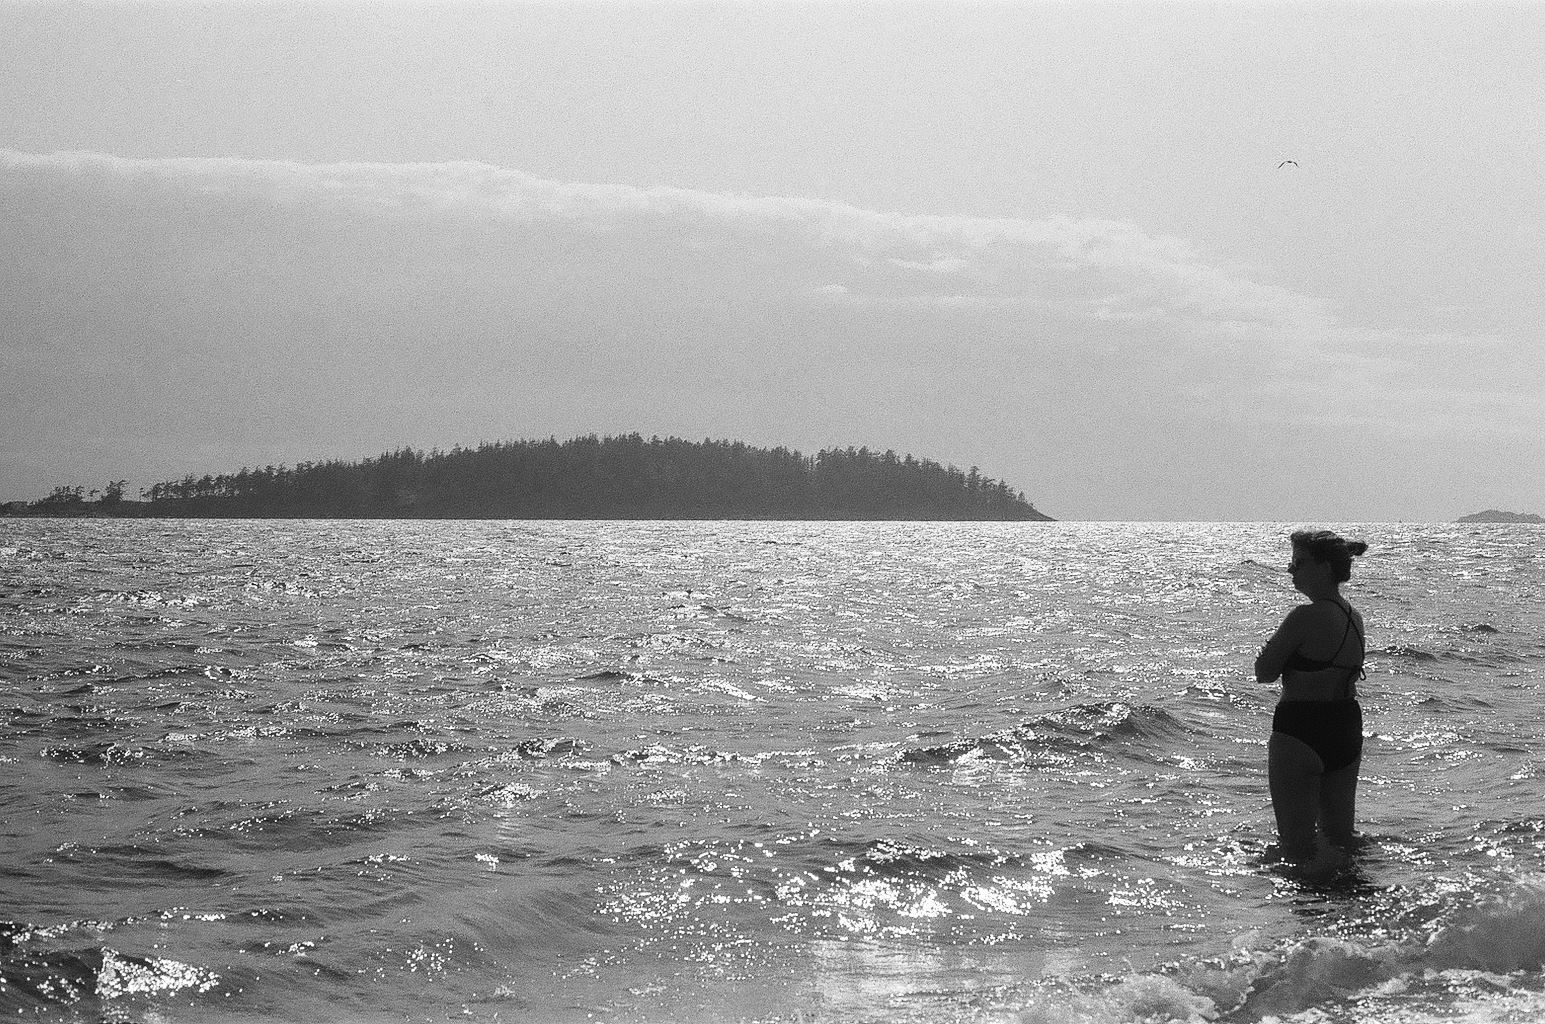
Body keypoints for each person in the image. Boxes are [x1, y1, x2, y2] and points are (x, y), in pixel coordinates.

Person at [1254, 529, 1369, 866]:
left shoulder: (1304, 617)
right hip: (1345, 728)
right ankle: (1351, 902)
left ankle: (1307, 913)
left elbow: (1264, 671)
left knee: (1296, 845)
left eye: (1298, 563)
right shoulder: (1354, 617)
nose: (1291, 570)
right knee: (1340, 838)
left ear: (1324, 568)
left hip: (1301, 730)